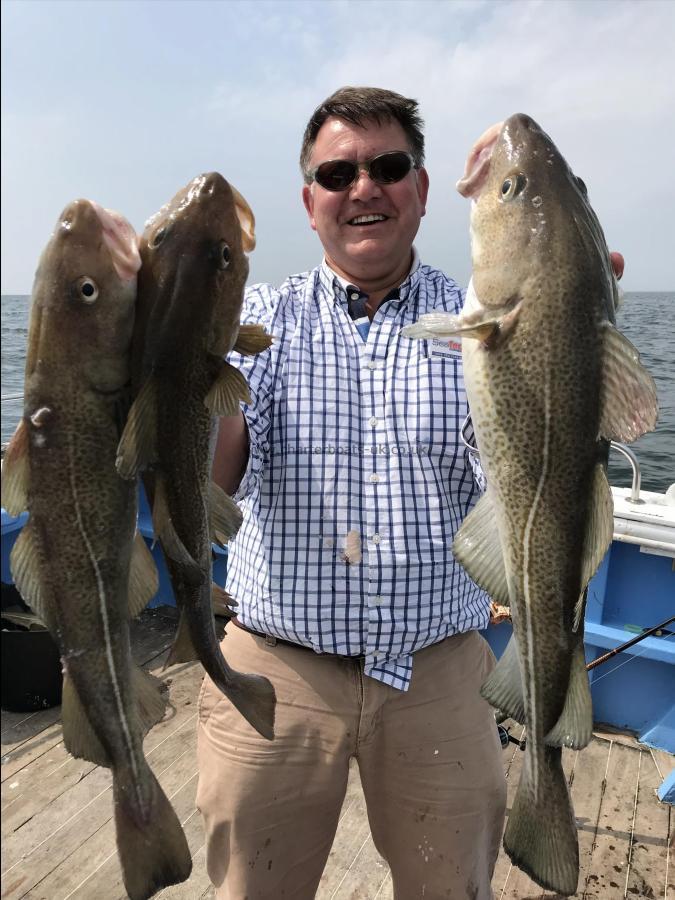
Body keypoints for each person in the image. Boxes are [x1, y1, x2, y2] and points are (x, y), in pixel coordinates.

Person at [195, 86, 623, 900]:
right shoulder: (256, 321)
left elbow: (546, 460)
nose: (364, 187)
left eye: (389, 166)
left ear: (423, 191)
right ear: (309, 201)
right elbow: (210, 477)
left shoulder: (476, 321)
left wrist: (583, 342)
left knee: (449, 889)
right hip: (276, 674)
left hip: (441, 674)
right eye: (338, 172)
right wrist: (181, 371)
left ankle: (544, 777)